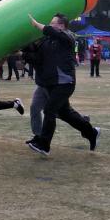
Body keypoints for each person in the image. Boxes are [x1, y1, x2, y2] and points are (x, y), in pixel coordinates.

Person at [25, 13, 100, 157]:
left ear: (61, 26)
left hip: (65, 83)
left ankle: (44, 145)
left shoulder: (68, 37)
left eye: (53, 23)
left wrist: (37, 24)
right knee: (65, 114)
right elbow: (37, 57)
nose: (50, 25)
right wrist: (21, 52)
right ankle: (92, 133)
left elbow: (51, 32)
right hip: (52, 83)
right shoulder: (47, 41)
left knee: (49, 110)